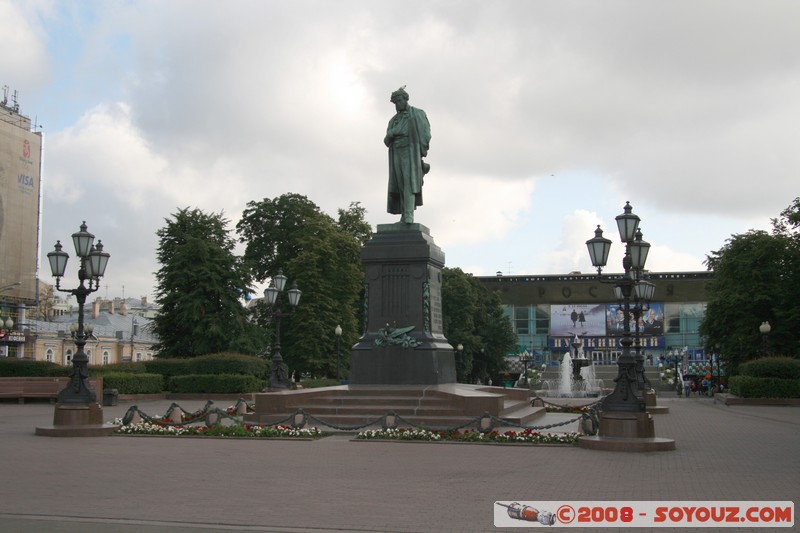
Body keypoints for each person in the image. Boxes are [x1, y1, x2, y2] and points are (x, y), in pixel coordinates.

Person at [384, 87, 431, 224]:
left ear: (405, 99)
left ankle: (409, 215)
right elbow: (386, 141)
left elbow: (426, 133)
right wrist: (392, 133)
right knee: (400, 185)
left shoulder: (417, 113)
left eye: (398, 101)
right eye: (395, 103)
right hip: (396, 152)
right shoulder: (393, 121)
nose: (396, 105)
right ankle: (404, 216)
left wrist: (420, 152)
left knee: (409, 182)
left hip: (410, 151)